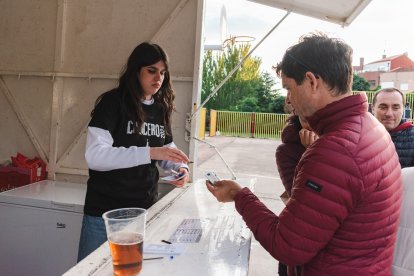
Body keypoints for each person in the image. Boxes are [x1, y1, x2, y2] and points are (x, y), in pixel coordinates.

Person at [206, 33, 402, 275]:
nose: (288, 99)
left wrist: (238, 194)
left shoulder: (334, 150)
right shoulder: (372, 127)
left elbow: (288, 246)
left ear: (311, 81)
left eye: (289, 88)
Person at [77, 42, 190, 262]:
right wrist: (149, 153)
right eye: (151, 71)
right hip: (104, 216)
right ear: (135, 70)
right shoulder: (112, 102)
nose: (158, 78)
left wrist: (181, 167)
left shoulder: (160, 108)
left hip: (142, 215)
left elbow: (166, 148)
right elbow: (95, 156)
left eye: (163, 73)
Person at [371, 87, 414, 168]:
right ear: (373, 108)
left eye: (396, 108)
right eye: (383, 107)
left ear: (403, 109)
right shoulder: (360, 135)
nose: (389, 114)